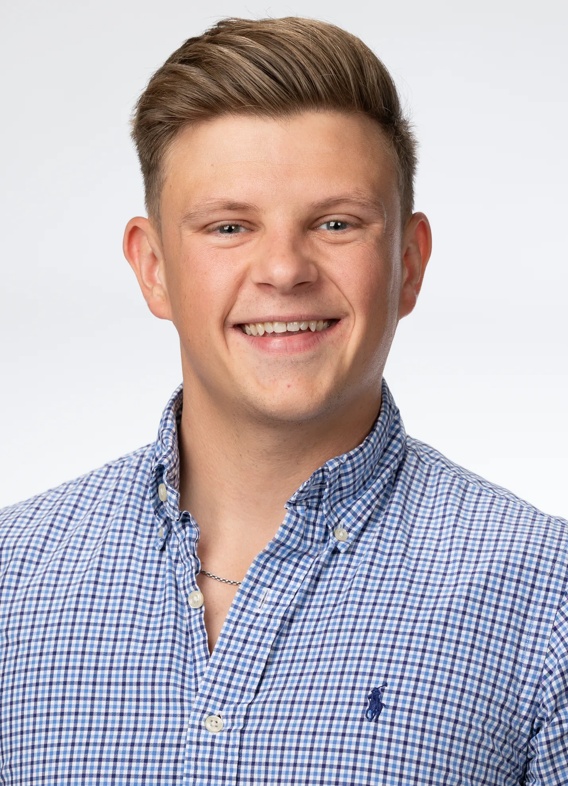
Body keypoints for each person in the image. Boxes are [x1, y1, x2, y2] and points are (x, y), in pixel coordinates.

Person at [0, 16, 566, 785]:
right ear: (153, 267)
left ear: (408, 262)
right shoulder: (11, 577)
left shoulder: (544, 597)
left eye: (336, 223)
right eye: (229, 226)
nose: (283, 269)